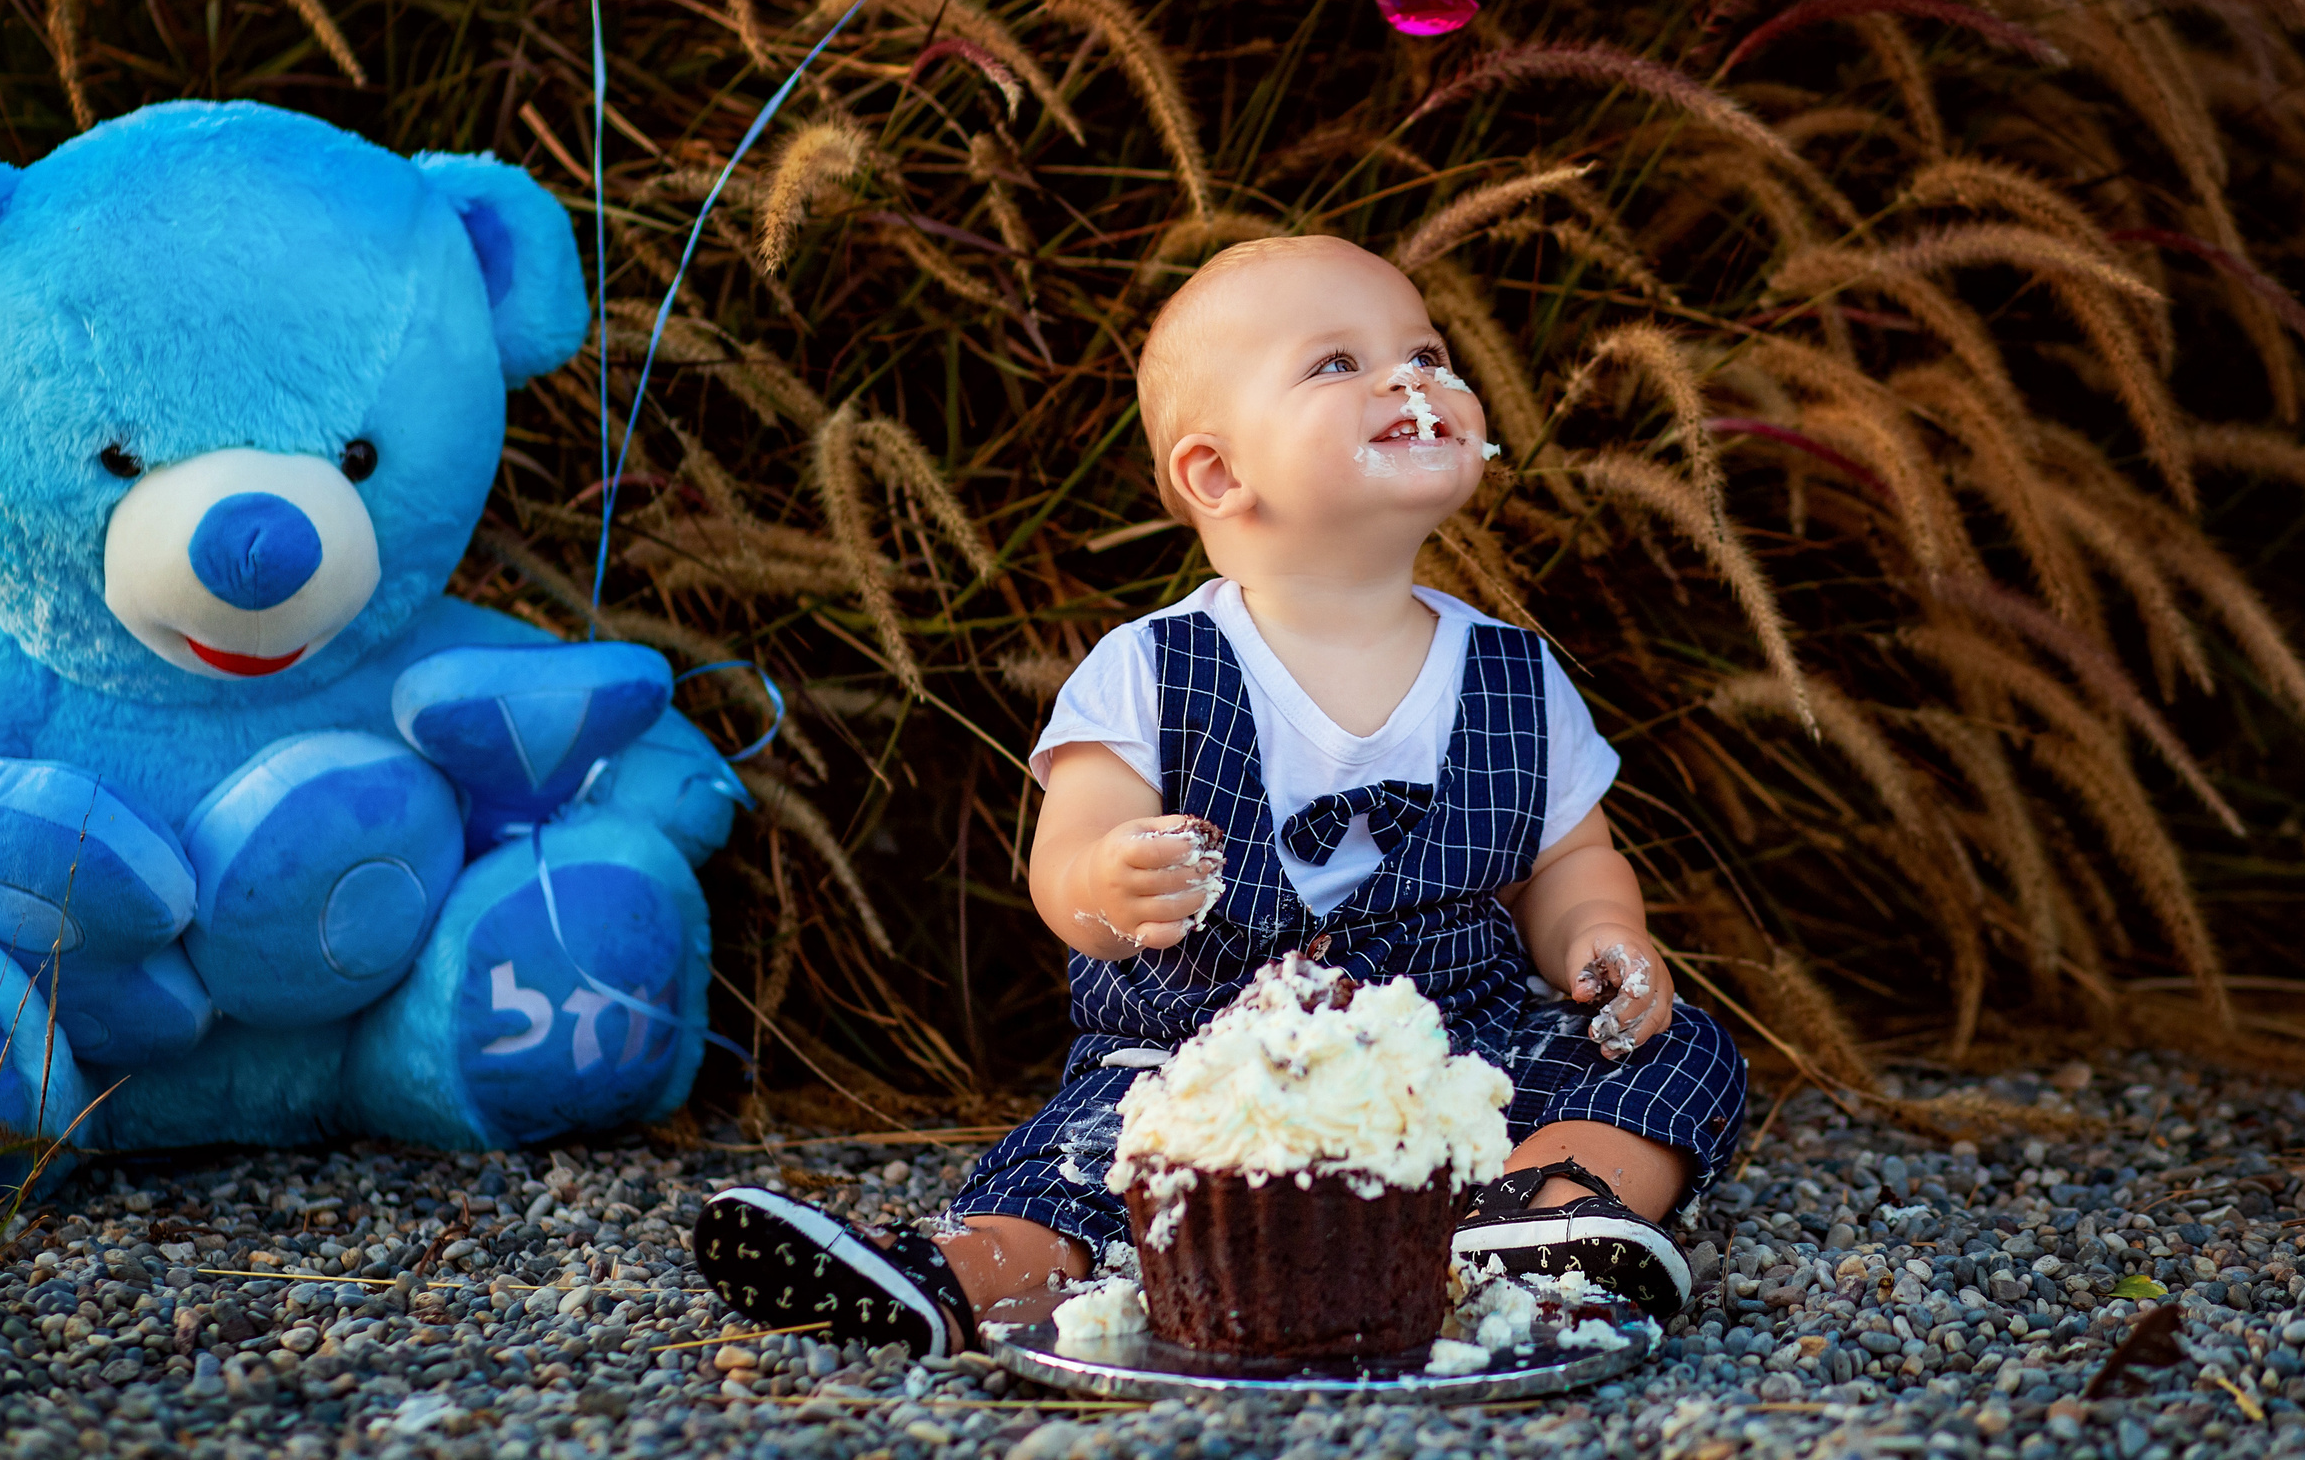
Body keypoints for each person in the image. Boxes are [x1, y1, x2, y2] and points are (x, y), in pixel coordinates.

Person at [694, 236, 1746, 1354]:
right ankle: (962, 1272)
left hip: (1457, 1047)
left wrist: (1600, 932)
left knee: (1674, 1051)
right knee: (1102, 1153)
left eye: (1428, 351)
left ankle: (1536, 1213)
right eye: (1338, 363)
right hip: (1200, 1053)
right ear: (1216, 475)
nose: (1413, 378)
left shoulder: (1515, 675)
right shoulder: (1152, 667)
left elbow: (1569, 856)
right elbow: (1068, 857)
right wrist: (1108, 879)